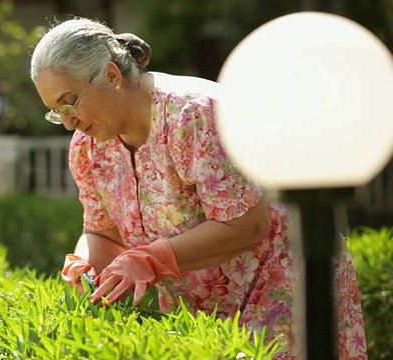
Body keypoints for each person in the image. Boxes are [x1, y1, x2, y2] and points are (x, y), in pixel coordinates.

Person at [29, 17, 367, 359]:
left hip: (283, 292)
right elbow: (102, 233)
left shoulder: (193, 112)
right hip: (200, 320)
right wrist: (82, 263)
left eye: (70, 101)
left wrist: (150, 259)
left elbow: (248, 224)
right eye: (56, 112)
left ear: (112, 76)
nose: (69, 122)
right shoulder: (87, 148)